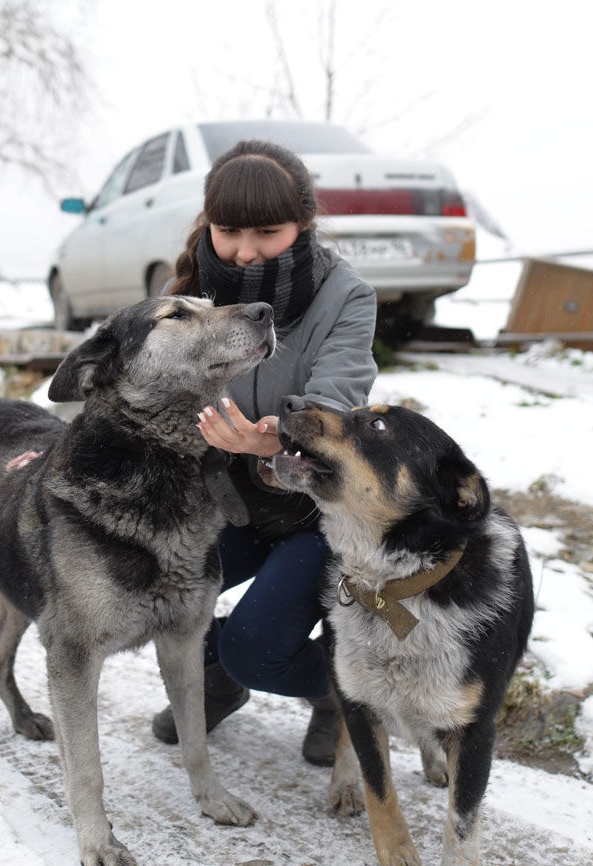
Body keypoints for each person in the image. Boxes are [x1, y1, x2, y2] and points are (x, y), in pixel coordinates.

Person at [150, 139, 378, 766]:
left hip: (315, 508)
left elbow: (335, 404)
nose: (245, 251)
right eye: (228, 232)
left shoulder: (347, 298)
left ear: (303, 224)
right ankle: (218, 682)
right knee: (151, 583)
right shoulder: (188, 290)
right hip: (226, 499)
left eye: (267, 232)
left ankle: (341, 693)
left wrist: (277, 439)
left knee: (259, 648)